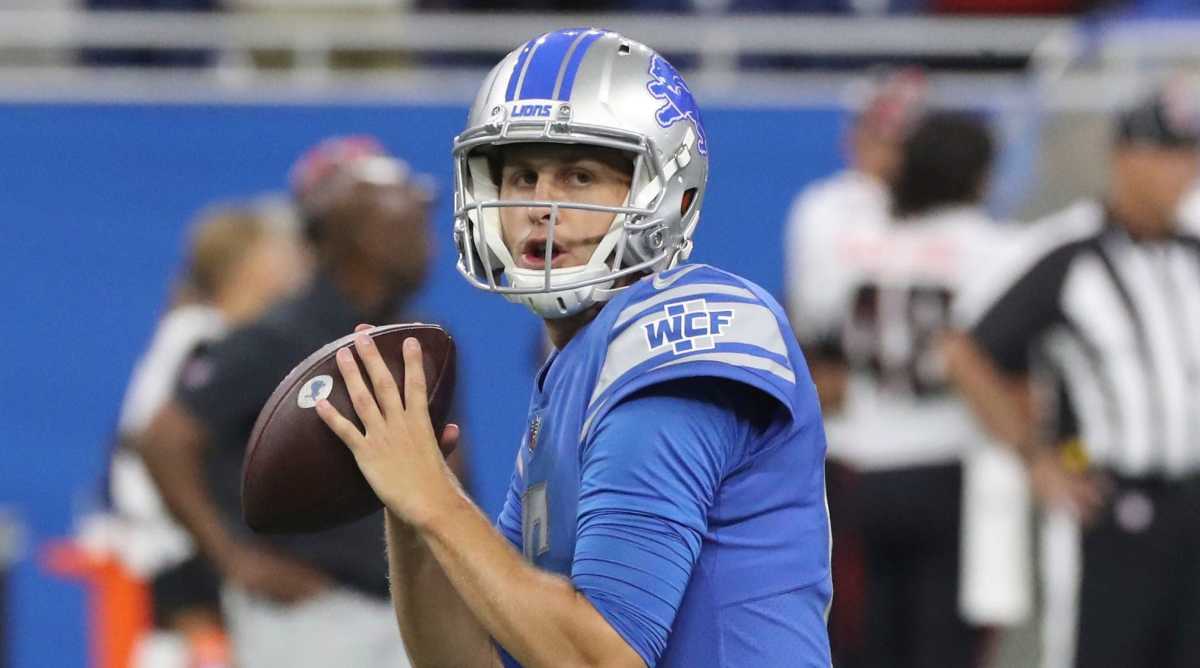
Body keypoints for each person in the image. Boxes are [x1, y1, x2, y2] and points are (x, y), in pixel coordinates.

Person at [313, 29, 833, 667]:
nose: (540, 205)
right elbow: (470, 661)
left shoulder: (689, 323)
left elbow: (602, 659)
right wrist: (411, 513)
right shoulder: (568, 373)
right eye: (523, 175)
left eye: (580, 176)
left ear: (673, 197)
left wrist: (435, 498)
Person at [138, 136, 436, 668]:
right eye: (403, 219)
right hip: (312, 618)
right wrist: (233, 558)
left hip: (409, 609)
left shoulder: (421, 336)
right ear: (354, 233)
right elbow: (164, 439)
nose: (424, 238)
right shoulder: (279, 335)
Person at [946, 89, 1200, 668]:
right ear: (1125, 159)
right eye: (1168, 155)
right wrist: (1036, 456)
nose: (1184, 173)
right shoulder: (1071, 258)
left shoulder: (1192, 256)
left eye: (1190, 156)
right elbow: (965, 353)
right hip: (1110, 510)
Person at [791, 110, 1019, 667]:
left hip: (854, 468)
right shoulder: (994, 248)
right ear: (979, 176)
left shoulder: (841, 236)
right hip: (949, 468)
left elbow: (811, 341)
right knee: (947, 648)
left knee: (859, 645)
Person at [110, 202, 309, 666]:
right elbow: (142, 454)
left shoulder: (216, 337)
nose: (300, 261)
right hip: (183, 573)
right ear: (251, 266)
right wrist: (207, 560)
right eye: (284, 251)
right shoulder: (201, 341)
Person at [783, 67, 926, 414]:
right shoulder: (825, 205)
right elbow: (811, 313)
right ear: (854, 135)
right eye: (876, 134)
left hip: (922, 380)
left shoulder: (936, 208)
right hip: (845, 372)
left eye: (896, 140)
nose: (885, 151)